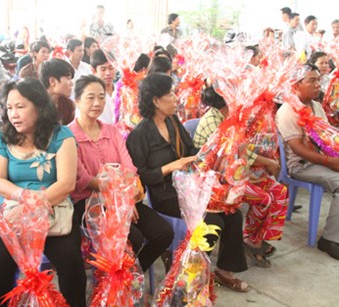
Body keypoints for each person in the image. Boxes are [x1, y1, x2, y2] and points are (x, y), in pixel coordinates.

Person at [126, 73, 249, 292]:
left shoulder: (173, 122)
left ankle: (223, 270)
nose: (176, 99)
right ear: (155, 100)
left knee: (232, 212)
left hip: (190, 186)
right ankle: (189, 277)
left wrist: (214, 154)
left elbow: (191, 151)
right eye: (170, 94)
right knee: (213, 222)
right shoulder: (140, 134)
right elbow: (140, 176)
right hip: (165, 195)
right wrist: (171, 166)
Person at [0, 78, 86, 306]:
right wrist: (26, 198)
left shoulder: (61, 136)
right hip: (14, 211)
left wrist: (37, 203)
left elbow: (66, 183)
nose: (13, 114)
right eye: (9, 108)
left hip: (54, 212)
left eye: (20, 107)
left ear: (39, 107)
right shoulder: (2, 137)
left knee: (72, 266)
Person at [69, 75, 173, 272]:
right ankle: (119, 280)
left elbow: (129, 168)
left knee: (164, 233)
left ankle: (133, 275)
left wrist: (125, 200)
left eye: (101, 97)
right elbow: (81, 179)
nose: (97, 103)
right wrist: (117, 200)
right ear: (77, 100)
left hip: (122, 197)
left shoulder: (112, 131)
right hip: (89, 203)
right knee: (132, 235)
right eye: (90, 97)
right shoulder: (68, 135)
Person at [193, 87, 288, 268]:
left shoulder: (231, 120)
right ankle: (250, 239)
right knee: (264, 199)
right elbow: (227, 156)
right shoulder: (215, 122)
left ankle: (256, 237)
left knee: (279, 192)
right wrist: (262, 163)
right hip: (218, 182)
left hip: (235, 175)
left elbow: (242, 151)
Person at [276, 64, 339, 260]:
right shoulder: (288, 110)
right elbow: (298, 149)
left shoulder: (316, 106)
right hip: (301, 165)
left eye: (318, 80)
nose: (317, 85)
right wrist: (330, 162)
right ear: (296, 85)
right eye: (311, 80)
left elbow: (327, 138)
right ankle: (329, 240)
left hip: (321, 160)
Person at [39, 58, 75, 124]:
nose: (72, 83)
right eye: (68, 78)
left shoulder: (68, 106)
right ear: (52, 81)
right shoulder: (35, 105)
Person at [89, 49, 116, 124]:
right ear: (93, 70)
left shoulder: (122, 91)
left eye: (111, 68)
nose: (108, 73)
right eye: (103, 69)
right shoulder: (90, 96)